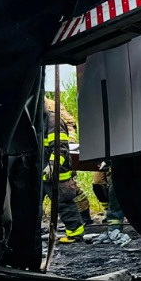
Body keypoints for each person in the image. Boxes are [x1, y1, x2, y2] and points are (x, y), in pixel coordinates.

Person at [42, 97, 92, 244]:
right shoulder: (38, 120)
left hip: (57, 173)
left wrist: (52, 166)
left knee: (64, 203)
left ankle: (75, 234)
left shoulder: (53, 121)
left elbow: (61, 148)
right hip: (41, 173)